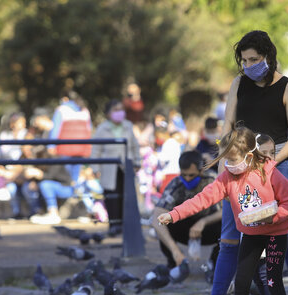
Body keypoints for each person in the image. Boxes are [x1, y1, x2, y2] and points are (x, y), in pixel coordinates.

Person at [210, 29, 288, 295]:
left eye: (254, 59)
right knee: (228, 240)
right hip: (238, 168)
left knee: (267, 244)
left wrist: (269, 163)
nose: (249, 66)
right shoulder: (238, 84)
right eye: (244, 61)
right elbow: (227, 125)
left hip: (276, 169)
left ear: (268, 56)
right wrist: (221, 162)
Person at [158, 125, 288, 295]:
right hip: (250, 235)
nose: (228, 165)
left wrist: (274, 217)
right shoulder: (227, 177)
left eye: (232, 160)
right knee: (241, 282)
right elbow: (202, 199)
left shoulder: (270, 172)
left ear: (248, 156)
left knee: (273, 281)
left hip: (275, 235)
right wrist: (174, 214)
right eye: (225, 161)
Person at [151, 150, 221, 270]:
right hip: (185, 227)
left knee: (230, 225)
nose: (187, 179)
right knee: (162, 223)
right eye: (184, 175)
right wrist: (174, 250)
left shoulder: (213, 180)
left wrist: (203, 222)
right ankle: (175, 262)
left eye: (192, 175)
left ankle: (216, 263)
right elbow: (156, 215)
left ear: (201, 170)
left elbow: (228, 210)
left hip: (209, 226)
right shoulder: (176, 184)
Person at [90, 99, 141, 236]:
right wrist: (95, 168)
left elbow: (135, 146)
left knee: (127, 196)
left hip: (126, 166)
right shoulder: (102, 128)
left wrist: (137, 162)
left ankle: (127, 227)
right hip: (109, 168)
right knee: (111, 197)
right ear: (108, 113)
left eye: (121, 109)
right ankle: (114, 225)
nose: (119, 113)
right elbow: (96, 150)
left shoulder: (128, 126)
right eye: (115, 110)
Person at [48, 91, 92, 182]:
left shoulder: (61, 110)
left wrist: (51, 146)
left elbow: (55, 129)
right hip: (81, 148)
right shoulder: (84, 110)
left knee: (67, 176)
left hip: (65, 148)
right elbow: (89, 129)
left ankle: (70, 193)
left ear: (65, 98)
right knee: (76, 175)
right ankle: (75, 192)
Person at [28, 146, 74, 225]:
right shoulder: (37, 163)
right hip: (51, 188)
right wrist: (33, 181)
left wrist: (39, 175)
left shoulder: (54, 160)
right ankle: (39, 211)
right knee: (29, 187)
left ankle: (53, 213)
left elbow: (51, 176)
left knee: (45, 185)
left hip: (65, 188)